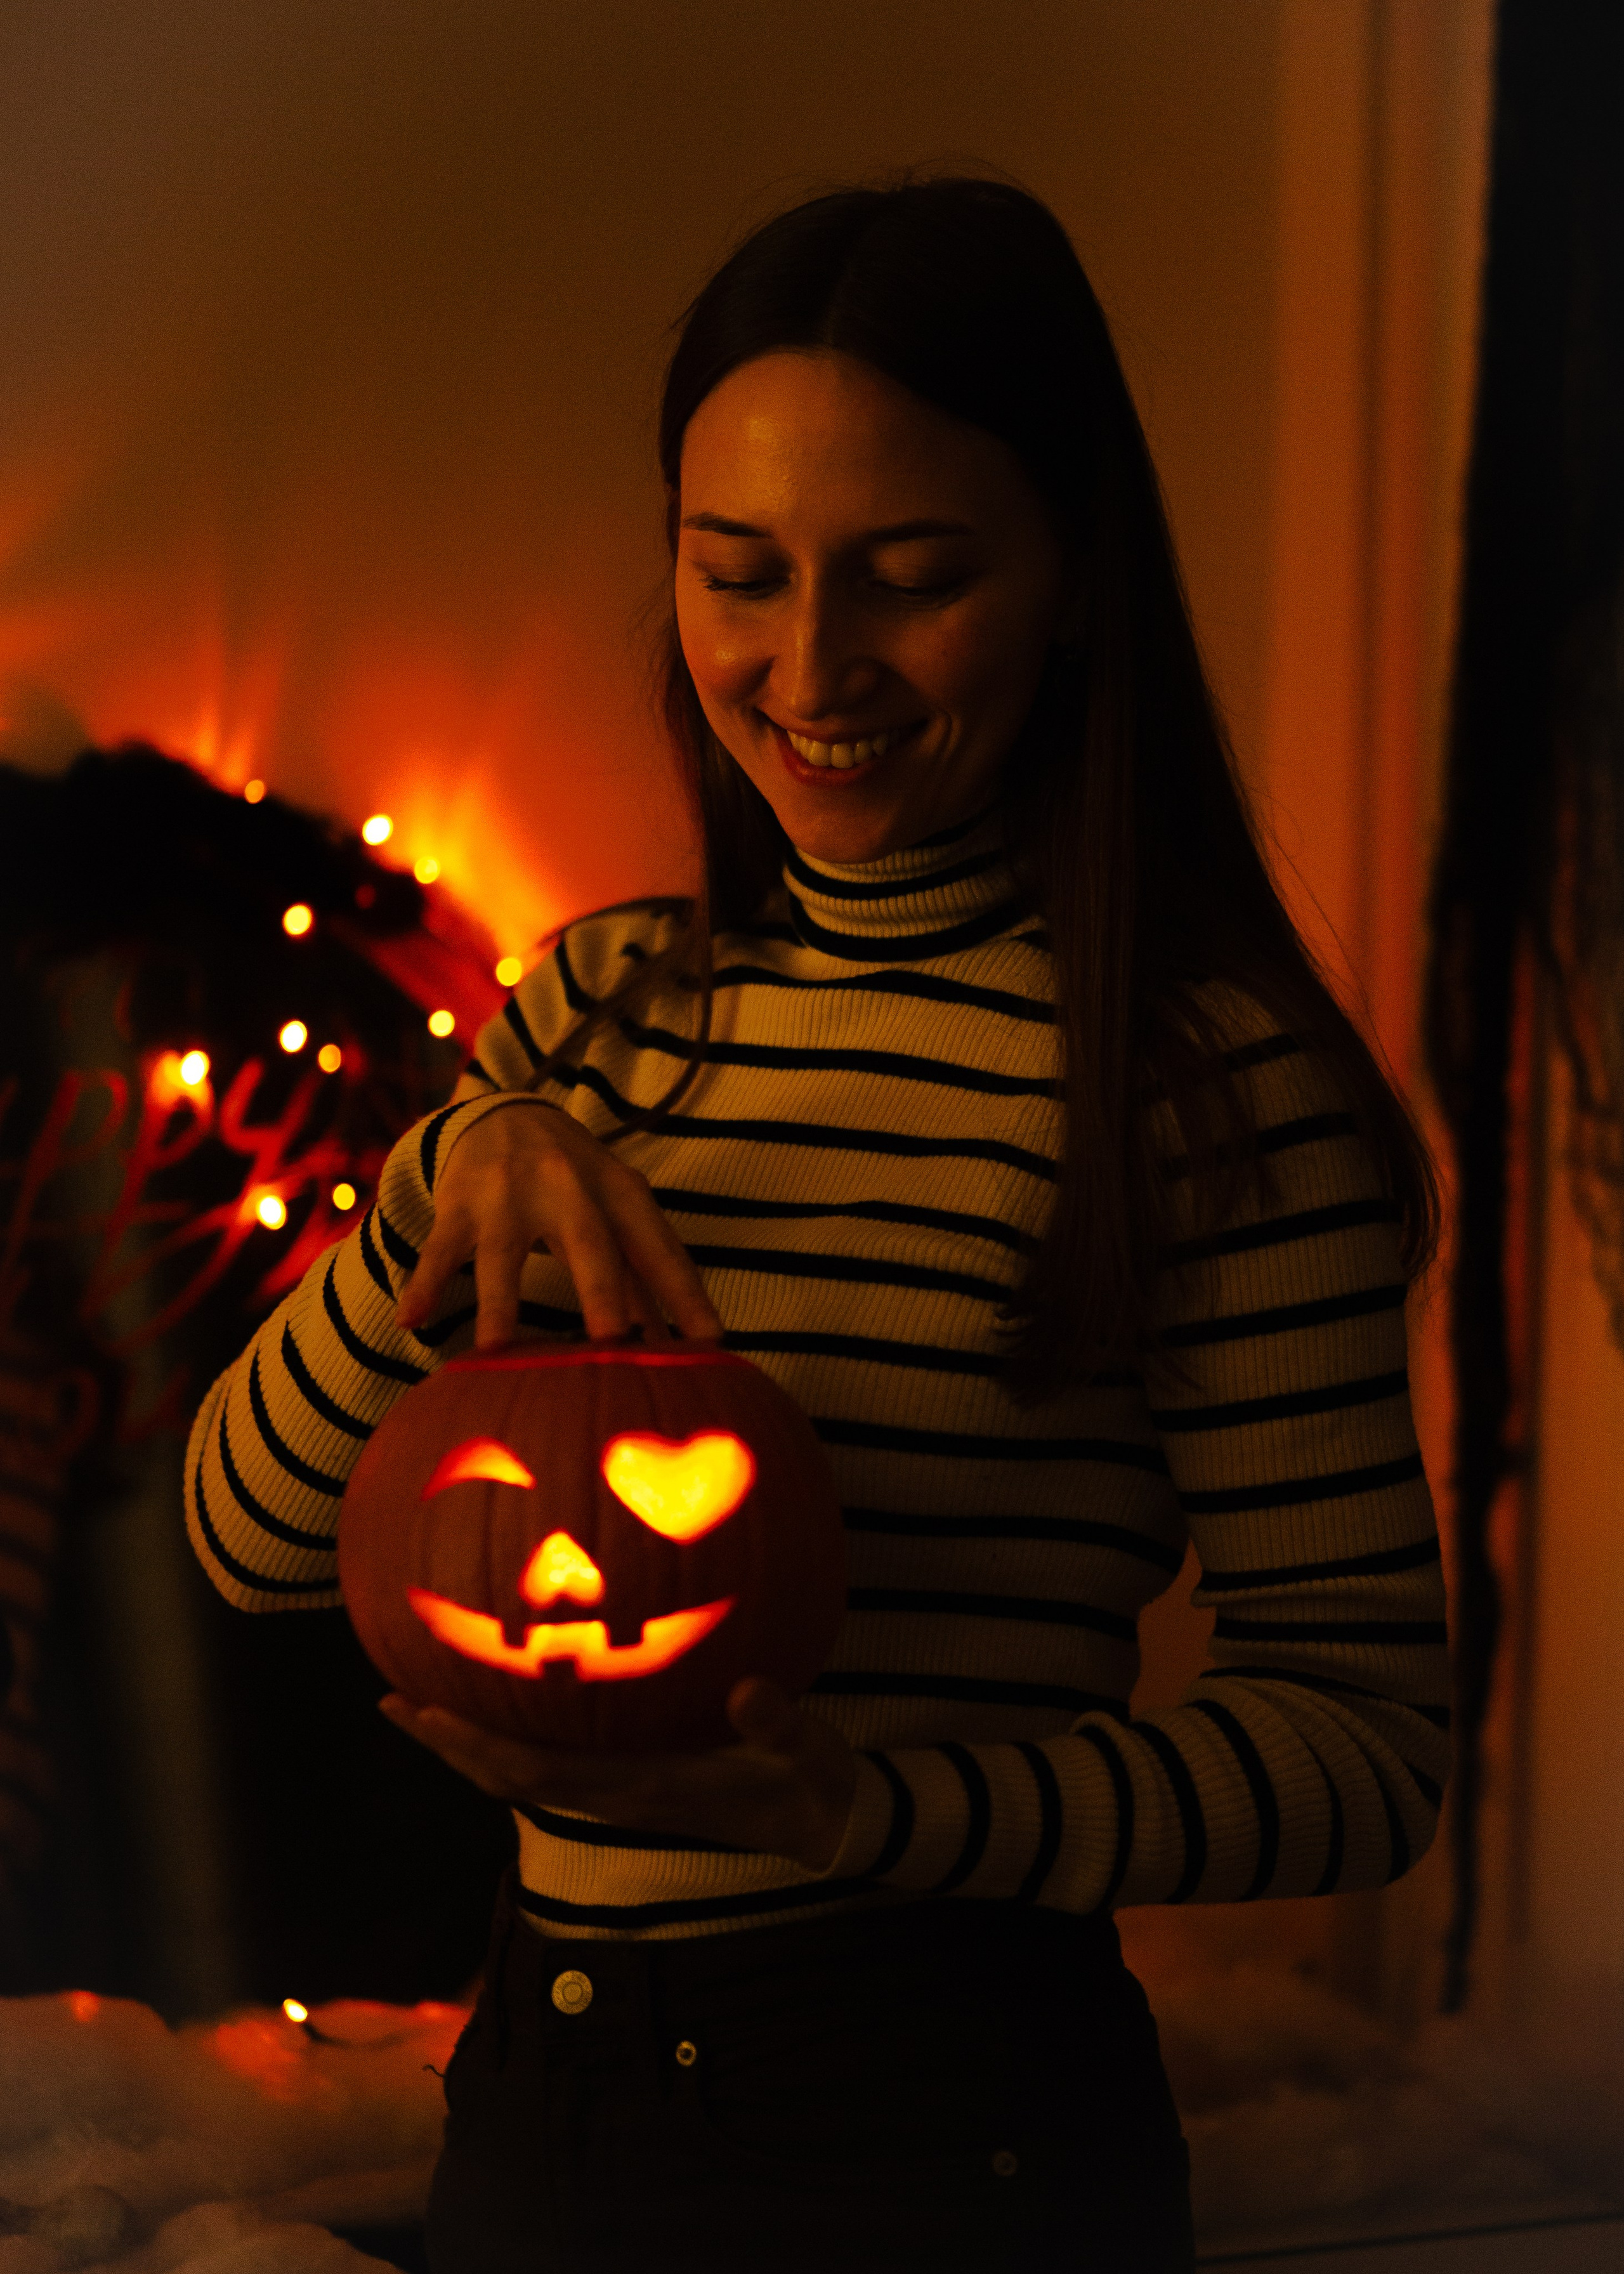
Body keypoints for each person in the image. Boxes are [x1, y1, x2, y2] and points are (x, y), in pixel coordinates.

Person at [185, 178, 1450, 2273]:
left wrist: (880, 1811)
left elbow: (1363, 1746)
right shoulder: (593, 1014)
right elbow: (245, 1540)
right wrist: (446, 1159)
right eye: (737, 573)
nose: (809, 666)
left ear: (1072, 579)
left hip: (947, 2125)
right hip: (542, 2094)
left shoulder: (1206, 1091)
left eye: (916, 575)